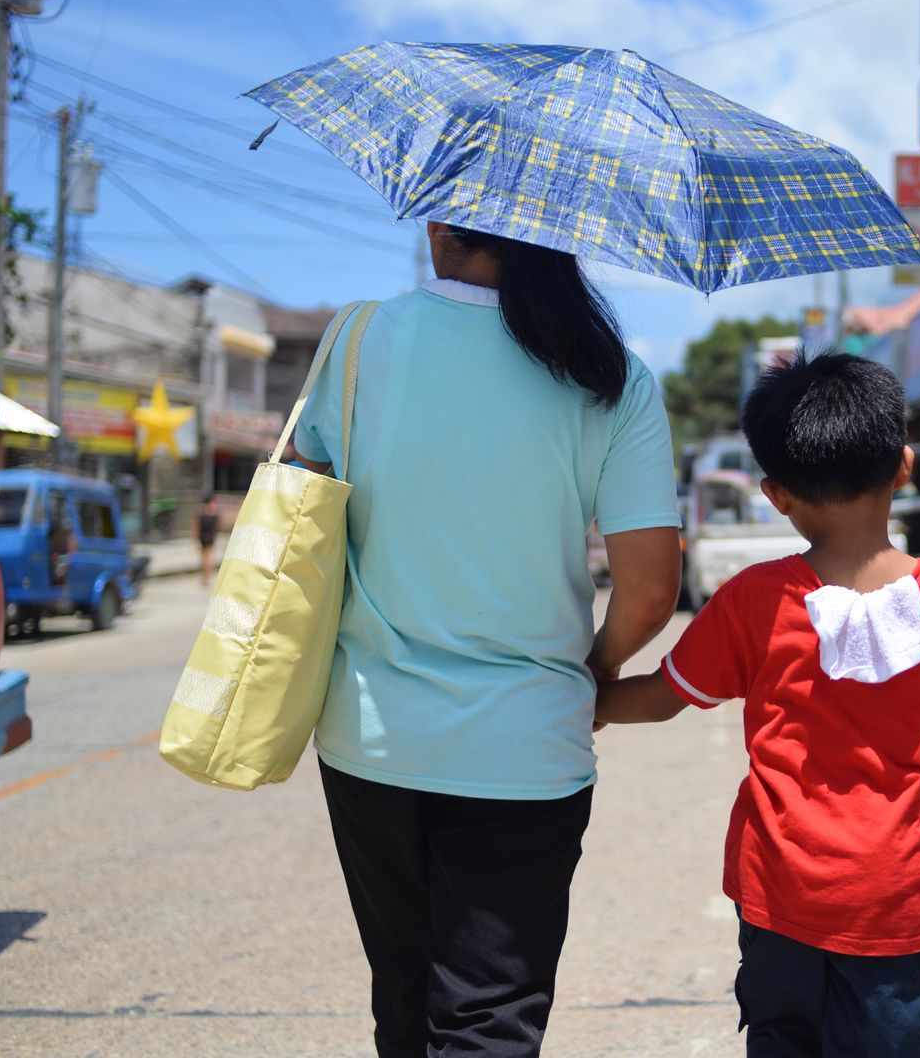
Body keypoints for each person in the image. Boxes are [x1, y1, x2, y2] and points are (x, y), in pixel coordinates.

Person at [292, 222, 681, 1057]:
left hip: (371, 739)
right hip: (527, 745)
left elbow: (302, 511)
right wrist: (594, 671)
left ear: (438, 223)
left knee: (402, 986)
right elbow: (650, 593)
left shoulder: (358, 339)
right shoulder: (610, 375)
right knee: (487, 1017)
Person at [595, 353, 920, 1056]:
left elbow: (664, 700)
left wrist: (582, 696)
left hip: (777, 893)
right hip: (897, 898)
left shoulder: (755, 599)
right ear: (905, 468)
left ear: (776, 494)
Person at [195, 492, 219, 587]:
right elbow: (219, 525)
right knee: (209, 557)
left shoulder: (200, 512)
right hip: (210, 536)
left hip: (203, 536)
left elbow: (196, 526)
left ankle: (205, 577)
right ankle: (207, 577)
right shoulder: (214, 513)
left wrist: (194, 538)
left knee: (204, 557)